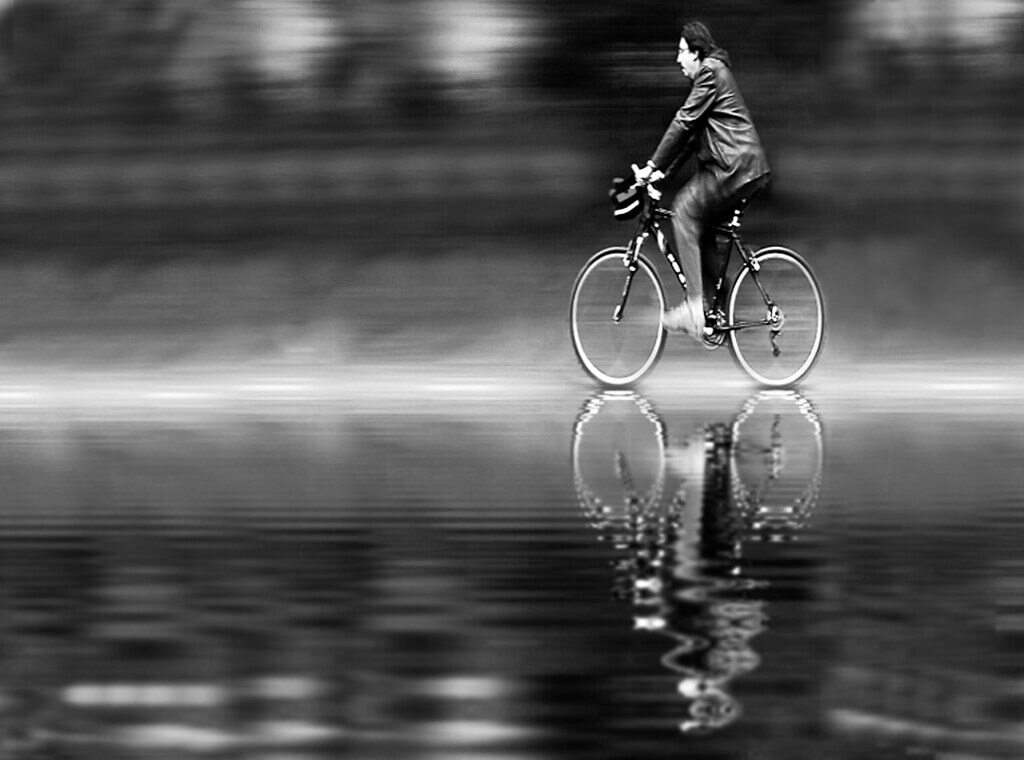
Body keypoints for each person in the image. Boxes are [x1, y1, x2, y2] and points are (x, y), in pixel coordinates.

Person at [635, 21, 771, 341]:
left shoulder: (710, 72)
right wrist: (659, 173)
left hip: (734, 168)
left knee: (683, 210)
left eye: (682, 52)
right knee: (704, 233)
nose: (678, 59)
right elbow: (693, 138)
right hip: (742, 169)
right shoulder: (711, 78)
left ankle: (695, 309)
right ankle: (716, 314)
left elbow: (683, 122)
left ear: (697, 53)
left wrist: (654, 163)